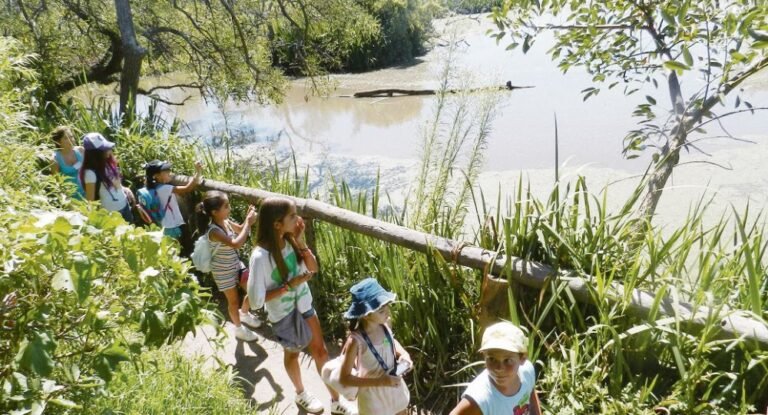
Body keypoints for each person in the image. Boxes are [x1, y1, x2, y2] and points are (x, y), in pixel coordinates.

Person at [247, 197, 355, 415]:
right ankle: (301, 393)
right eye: (293, 216)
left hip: (304, 304)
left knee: (321, 351)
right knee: (293, 354)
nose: (298, 219)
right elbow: (256, 300)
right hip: (284, 314)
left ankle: (335, 401)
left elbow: (313, 269)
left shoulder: (290, 240)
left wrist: (301, 240)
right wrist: (288, 286)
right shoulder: (260, 257)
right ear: (277, 223)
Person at [337, 277, 412, 415]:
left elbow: (390, 341)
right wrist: (380, 382)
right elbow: (344, 378)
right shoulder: (356, 341)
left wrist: (404, 355)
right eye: (381, 310)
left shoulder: (385, 324)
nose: (388, 312)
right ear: (366, 314)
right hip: (373, 399)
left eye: (387, 306)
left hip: (395, 389)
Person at [197, 190, 261, 342]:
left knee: (253, 290)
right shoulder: (214, 231)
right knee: (233, 301)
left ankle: (244, 313)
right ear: (214, 212)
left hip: (236, 264)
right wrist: (250, 223)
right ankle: (238, 329)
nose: (229, 208)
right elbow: (236, 243)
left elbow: (239, 229)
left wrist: (247, 219)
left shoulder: (225, 221)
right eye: (226, 206)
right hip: (222, 271)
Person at [449, 321, 542, 415]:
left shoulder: (527, 372)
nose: (499, 368)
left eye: (508, 360)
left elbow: (530, 394)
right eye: (492, 359)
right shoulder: (480, 399)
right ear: (484, 356)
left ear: (522, 359)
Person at [139, 159, 203, 239]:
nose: (169, 172)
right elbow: (187, 188)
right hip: (172, 226)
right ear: (156, 176)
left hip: (163, 224)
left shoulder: (151, 187)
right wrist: (198, 172)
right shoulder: (165, 189)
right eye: (165, 171)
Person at [79, 132, 135, 222]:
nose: (109, 151)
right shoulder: (90, 173)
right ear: (95, 154)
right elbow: (91, 202)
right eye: (105, 149)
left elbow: (115, 184)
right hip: (111, 214)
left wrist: (125, 189)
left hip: (125, 206)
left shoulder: (107, 162)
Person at [50, 126, 85, 199]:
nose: (71, 140)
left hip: (88, 194)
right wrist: (67, 202)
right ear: (59, 141)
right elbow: (57, 185)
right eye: (66, 138)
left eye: (71, 137)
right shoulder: (55, 160)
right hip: (70, 198)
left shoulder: (81, 151)